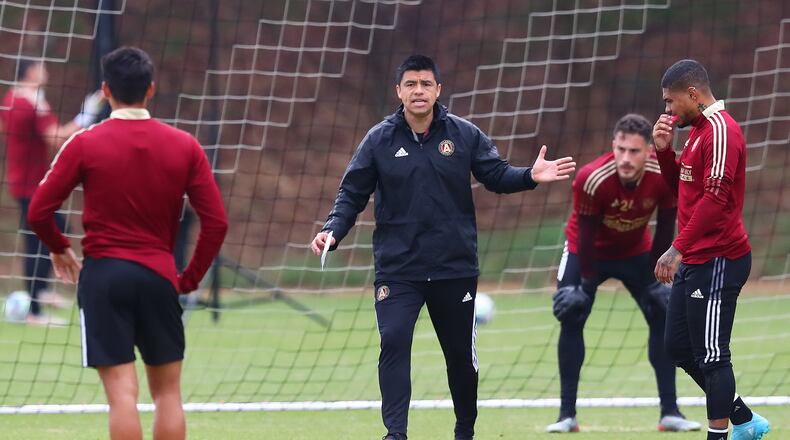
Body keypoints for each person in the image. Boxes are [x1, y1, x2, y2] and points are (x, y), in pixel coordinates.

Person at [310, 54, 575, 440]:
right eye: (411, 84)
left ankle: (464, 430)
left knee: (459, 360)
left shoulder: (464, 134)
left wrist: (529, 176)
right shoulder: (378, 140)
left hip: (454, 268)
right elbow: (352, 193)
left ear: (438, 90)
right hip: (399, 270)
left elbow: (496, 175)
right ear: (398, 91)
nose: (419, 91)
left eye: (426, 84)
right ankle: (395, 434)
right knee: (394, 340)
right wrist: (332, 231)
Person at [27, 47, 228, 440]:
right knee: (168, 394)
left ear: (105, 90)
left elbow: (37, 211)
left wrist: (59, 246)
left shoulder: (84, 143)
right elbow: (217, 223)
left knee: (122, 397)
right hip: (159, 276)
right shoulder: (185, 145)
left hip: (103, 279)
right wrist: (187, 279)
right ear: (150, 90)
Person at [547, 114, 702, 433]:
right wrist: (583, 285)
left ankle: (670, 412)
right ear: (613, 147)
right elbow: (586, 236)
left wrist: (656, 279)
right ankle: (567, 416)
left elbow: (665, 229)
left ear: (648, 151)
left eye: (634, 151)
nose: (626, 158)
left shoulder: (664, 175)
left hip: (636, 252)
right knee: (572, 313)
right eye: (621, 150)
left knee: (662, 312)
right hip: (586, 251)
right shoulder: (591, 178)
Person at [653, 59, 771, 440]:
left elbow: (716, 200)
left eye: (671, 102)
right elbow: (684, 192)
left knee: (714, 356)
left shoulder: (721, 131)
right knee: (677, 348)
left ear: (692, 94)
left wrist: (676, 248)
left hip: (719, 259)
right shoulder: (698, 133)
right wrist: (663, 153)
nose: (668, 111)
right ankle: (745, 419)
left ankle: (723, 435)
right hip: (697, 257)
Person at [0, 60, 103, 325]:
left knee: (47, 233)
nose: (46, 71)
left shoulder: (12, 97)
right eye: (42, 67)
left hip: (21, 180)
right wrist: (87, 115)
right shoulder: (32, 101)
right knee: (40, 238)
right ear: (31, 71)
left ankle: (40, 292)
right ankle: (34, 309)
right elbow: (56, 138)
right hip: (31, 183)